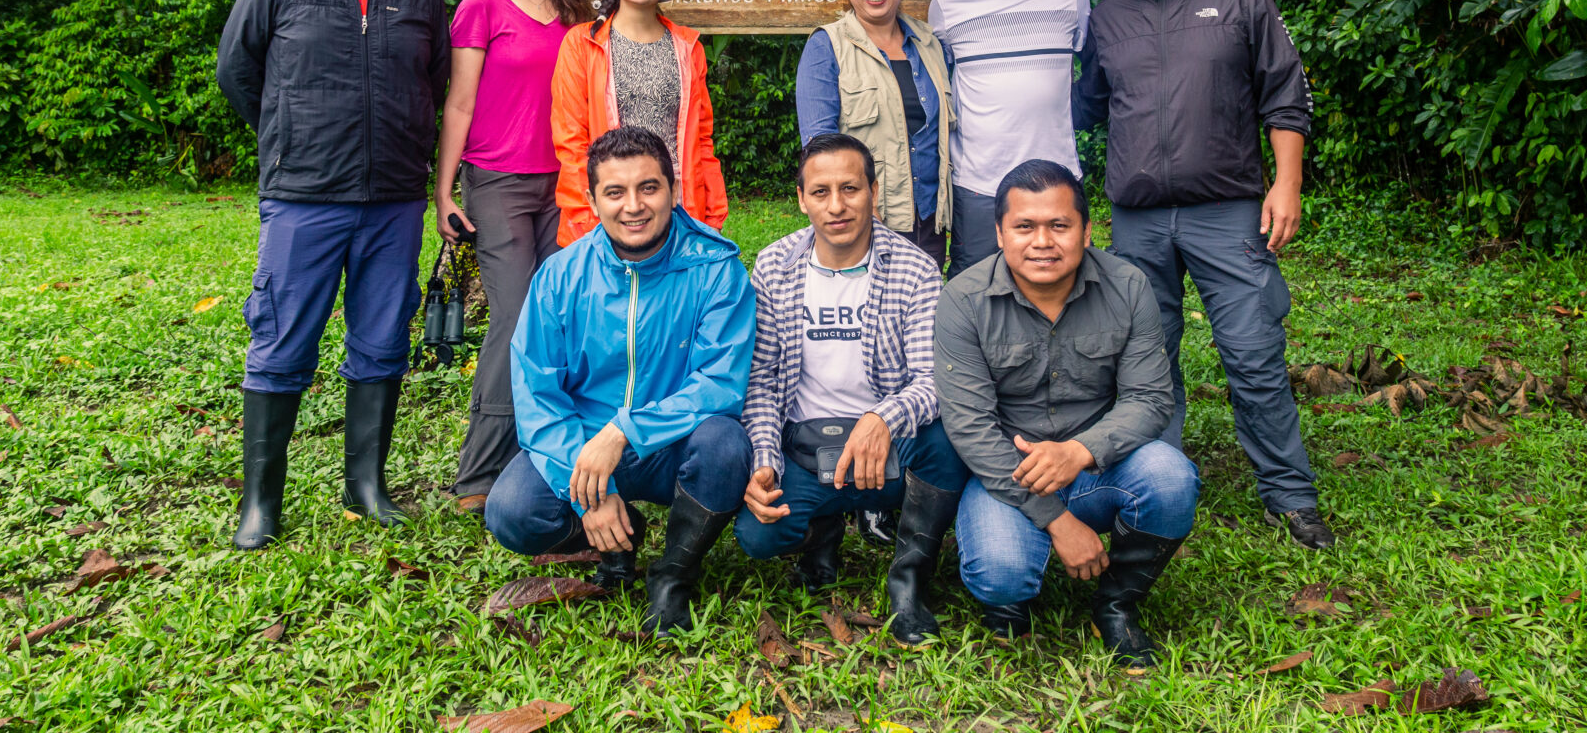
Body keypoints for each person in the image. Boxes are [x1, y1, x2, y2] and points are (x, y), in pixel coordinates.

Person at [1074, 0, 1331, 550]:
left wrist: (1288, 183)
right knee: (1144, 359)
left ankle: (1289, 495)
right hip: (1138, 221)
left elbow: (1285, 94)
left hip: (1228, 209)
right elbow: (1083, 112)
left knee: (1252, 353)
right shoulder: (1108, 18)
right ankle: (1157, 487)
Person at [215, 0, 449, 551]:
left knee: (381, 343)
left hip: (394, 202)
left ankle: (365, 487)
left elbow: (434, 82)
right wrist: (288, 139)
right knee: (281, 342)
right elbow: (237, 71)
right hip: (303, 198)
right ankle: (261, 503)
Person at [484, 126, 756, 635]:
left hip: (673, 444)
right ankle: (615, 535)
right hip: (583, 447)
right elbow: (537, 394)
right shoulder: (560, 276)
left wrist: (624, 430)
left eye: (648, 187)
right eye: (615, 192)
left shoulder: (716, 268)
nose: (634, 206)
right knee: (511, 512)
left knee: (727, 445)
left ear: (673, 190)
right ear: (591, 199)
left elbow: (721, 382)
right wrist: (588, 489)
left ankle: (674, 574)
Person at [935, 159, 1198, 663]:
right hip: (1009, 476)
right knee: (1001, 574)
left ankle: (1118, 601)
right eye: (1024, 226)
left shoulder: (1128, 286)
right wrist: (1058, 522)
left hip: (1099, 466)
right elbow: (970, 428)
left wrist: (1079, 452)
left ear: (1086, 229)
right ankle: (1011, 600)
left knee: (1170, 477)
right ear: (999, 232)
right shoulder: (963, 301)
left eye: (1059, 225)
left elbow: (1151, 398)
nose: (1042, 242)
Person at [737, 133, 970, 646]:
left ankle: (909, 581)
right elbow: (762, 379)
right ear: (801, 199)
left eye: (850, 188)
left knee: (949, 443)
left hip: (889, 449)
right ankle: (823, 533)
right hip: (807, 444)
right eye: (820, 192)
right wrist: (764, 459)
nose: (836, 206)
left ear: (874, 191)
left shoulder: (914, 268)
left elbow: (936, 380)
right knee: (758, 537)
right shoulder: (775, 266)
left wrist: (883, 418)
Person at [434, 0, 588, 510]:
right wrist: (442, 190)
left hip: (567, 182)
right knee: (517, 312)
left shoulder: (575, 12)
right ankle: (480, 471)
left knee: (564, 315)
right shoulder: (483, 4)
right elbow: (460, 101)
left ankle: (550, 452)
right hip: (497, 179)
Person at [927, 0, 1091, 279]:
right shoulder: (947, 4)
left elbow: (1092, 71)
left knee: (1062, 286)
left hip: (1057, 180)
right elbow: (941, 82)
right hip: (978, 184)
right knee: (975, 287)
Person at [551, 0, 728, 245]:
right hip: (610, 211)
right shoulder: (582, 44)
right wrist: (591, 221)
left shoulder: (688, 47)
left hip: (676, 210)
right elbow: (571, 141)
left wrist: (712, 216)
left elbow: (702, 141)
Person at [795, 0, 954, 269]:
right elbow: (820, 148)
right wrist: (864, 213)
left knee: (922, 317)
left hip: (929, 220)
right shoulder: (826, 47)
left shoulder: (931, 44)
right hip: (866, 225)